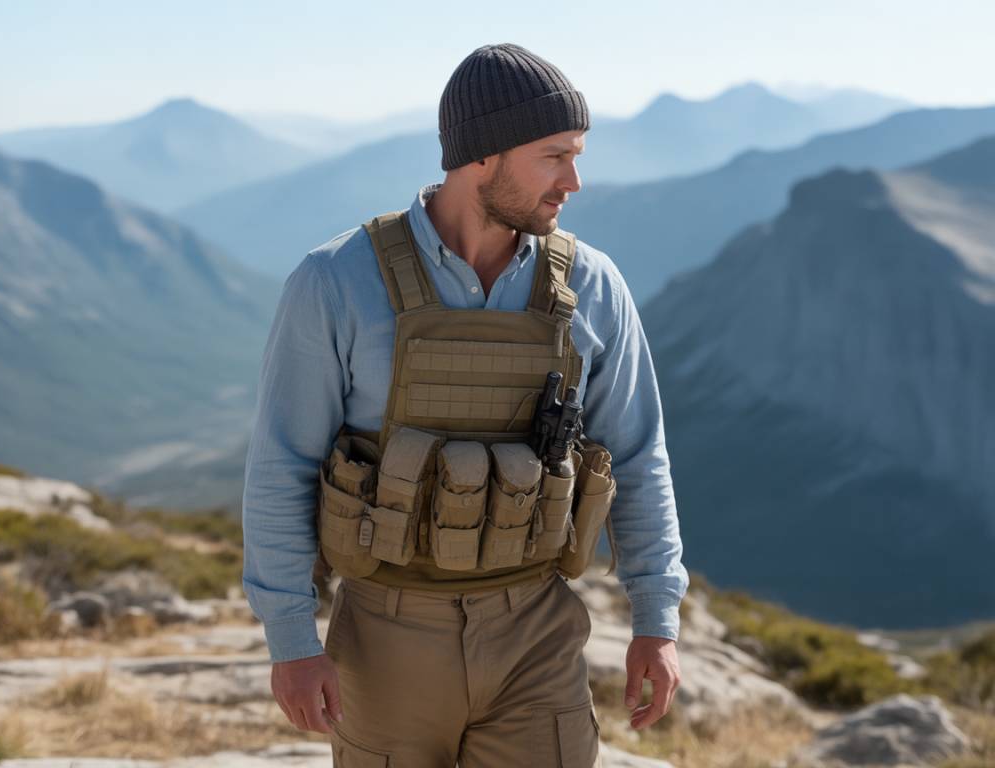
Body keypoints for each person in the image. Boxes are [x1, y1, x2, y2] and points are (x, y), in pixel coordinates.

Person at [242, 42, 689, 767]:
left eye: (576, 155)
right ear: (482, 154)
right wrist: (292, 640)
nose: (574, 181)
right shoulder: (337, 282)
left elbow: (637, 457)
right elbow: (282, 463)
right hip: (384, 639)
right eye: (554, 156)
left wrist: (657, 619)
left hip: (536, 634)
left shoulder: (593, 285)